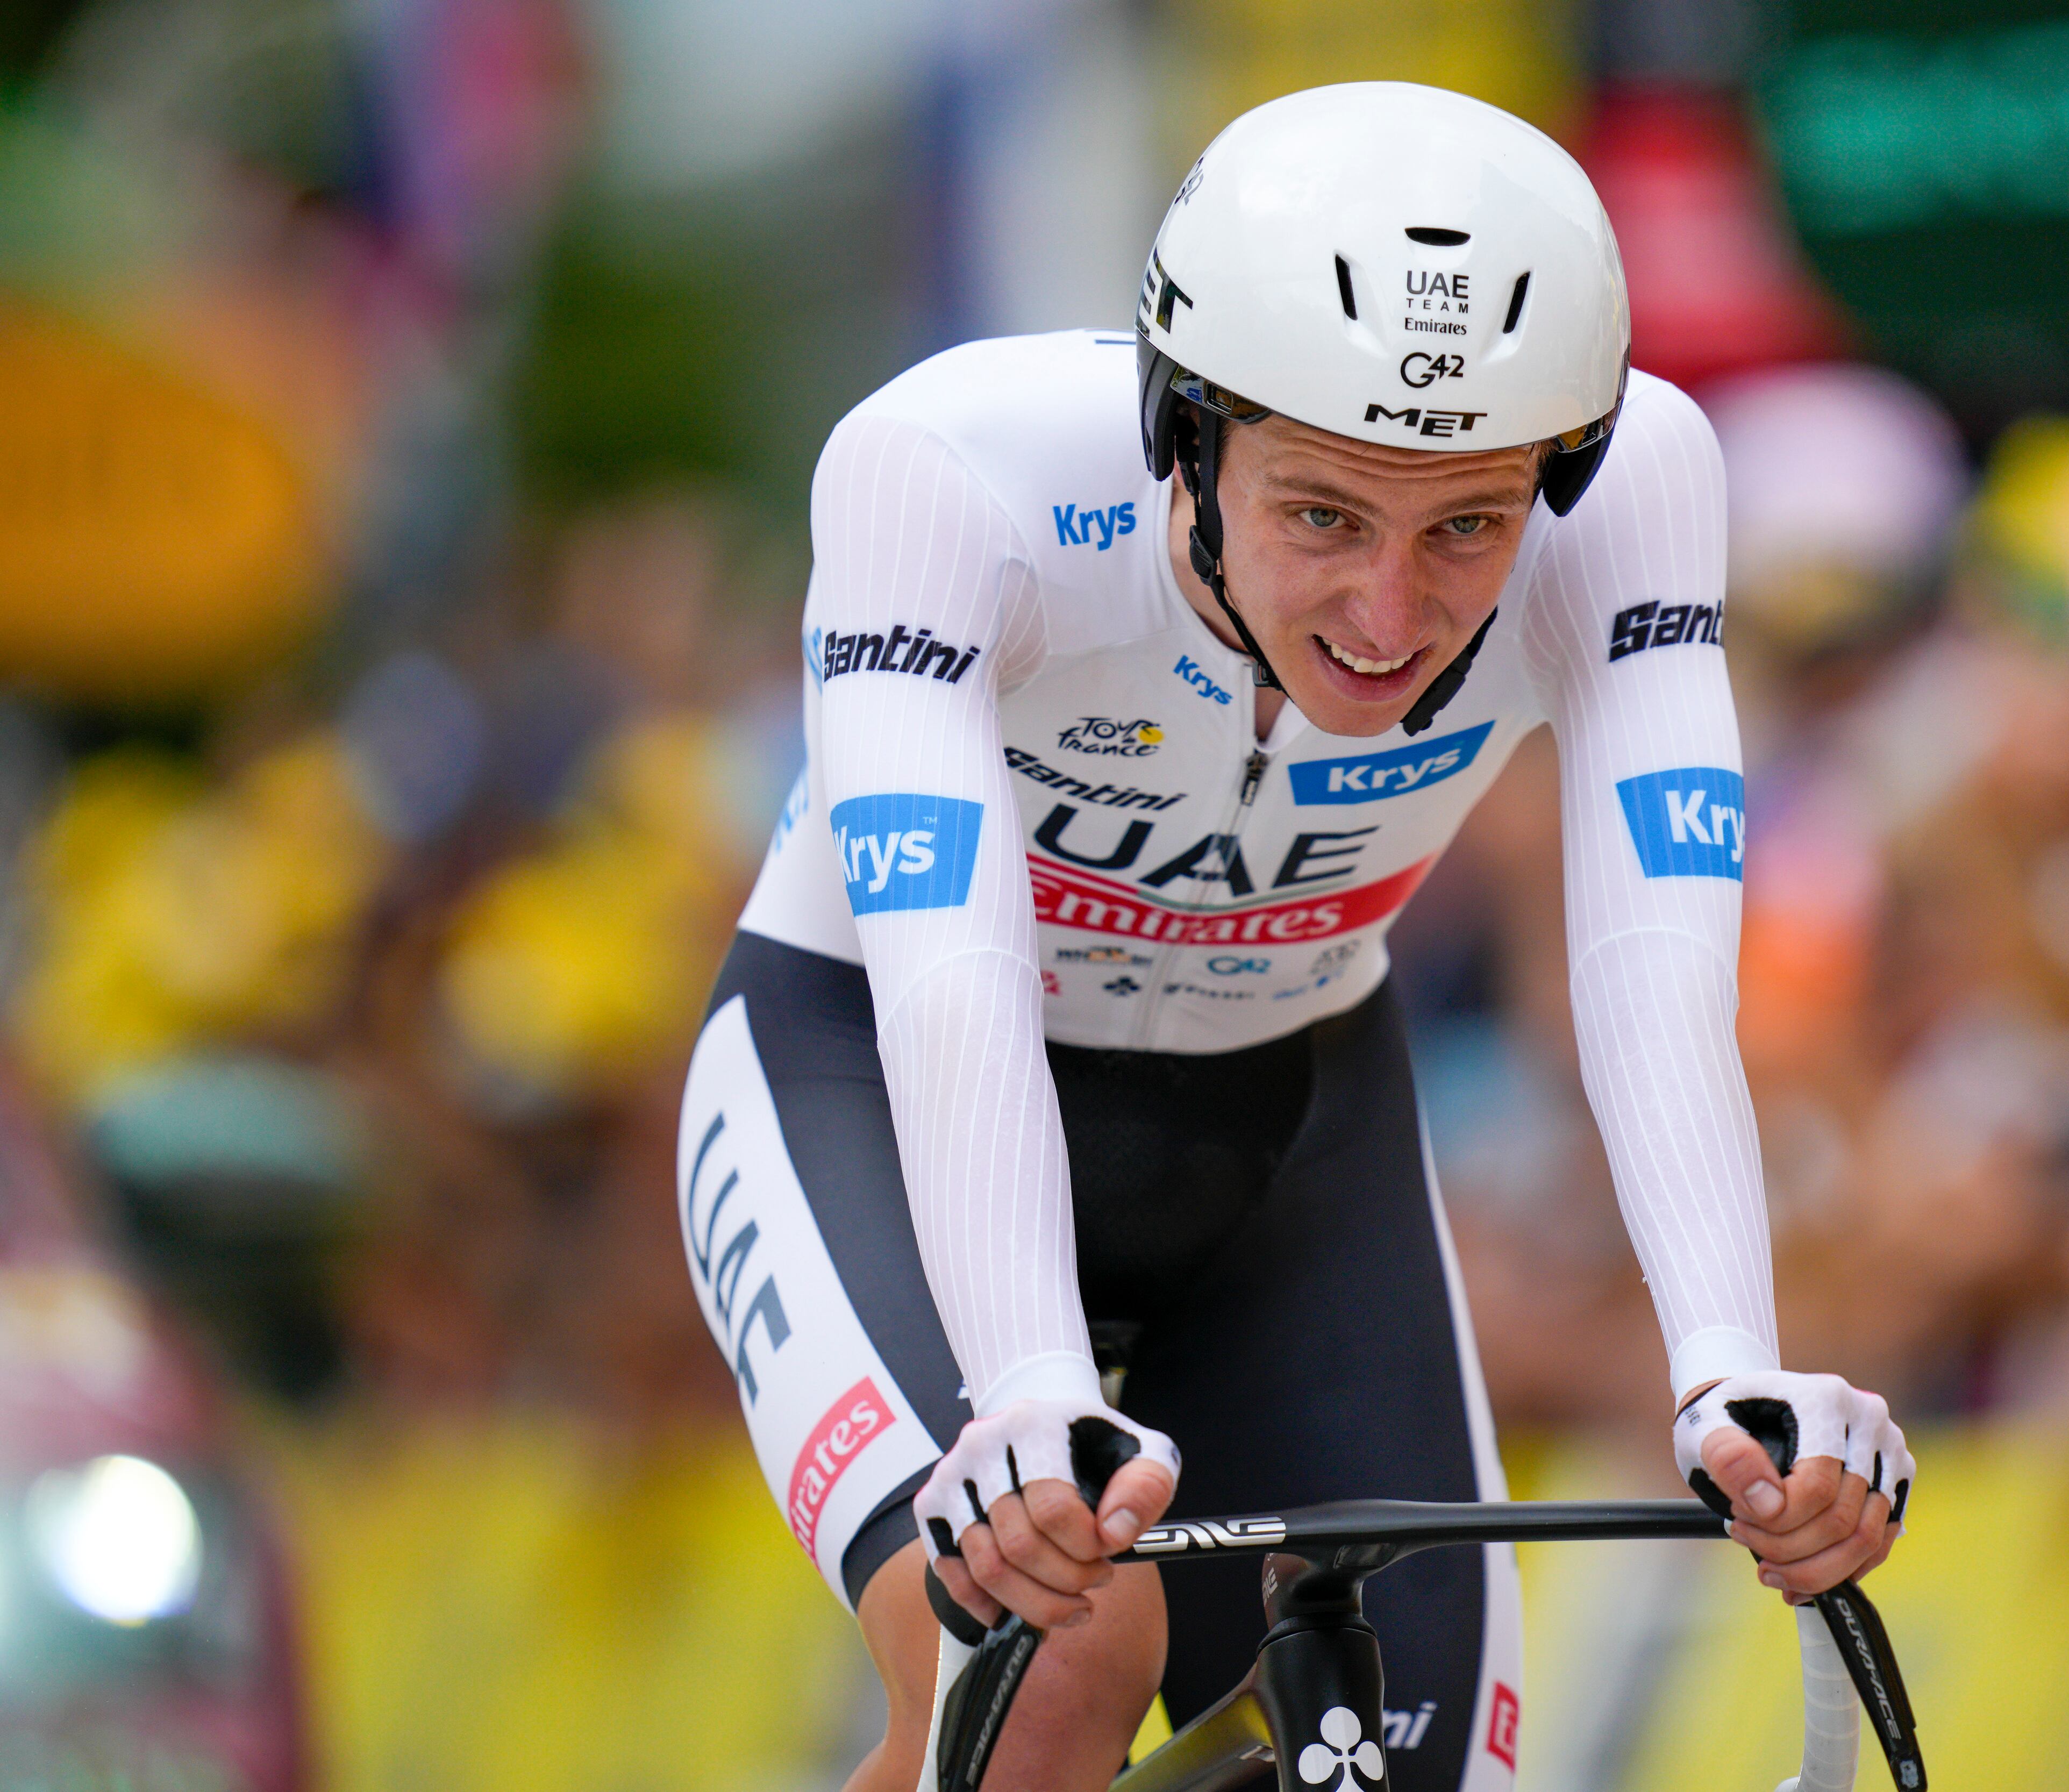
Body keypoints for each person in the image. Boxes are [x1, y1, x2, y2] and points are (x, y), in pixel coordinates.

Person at [675, 82, 1911, 1792]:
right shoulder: (950, 479)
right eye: (1323, 514)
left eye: (1467, 527)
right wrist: (1029, 1385)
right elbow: (949, 978)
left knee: (1407, 1753)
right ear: (1184, 434)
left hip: (1291, 1119)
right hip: (866, 1082)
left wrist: (1731, 1375)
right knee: (1054, 1658)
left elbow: (1654, 961)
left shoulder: (1637, 497)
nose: (1390, 618)